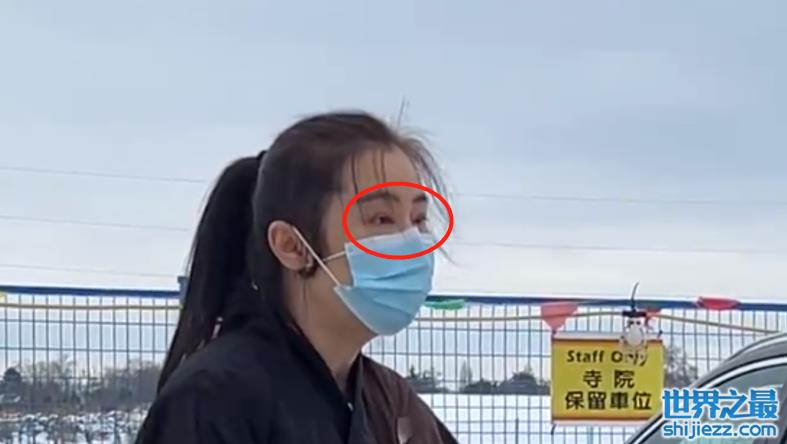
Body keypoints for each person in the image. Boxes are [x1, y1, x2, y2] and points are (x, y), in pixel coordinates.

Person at [135, 111, 457, 444]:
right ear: (292, 246)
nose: (411, 243)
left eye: (418, 220)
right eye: (381, 219)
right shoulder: (212, 403)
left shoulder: (391, 403)